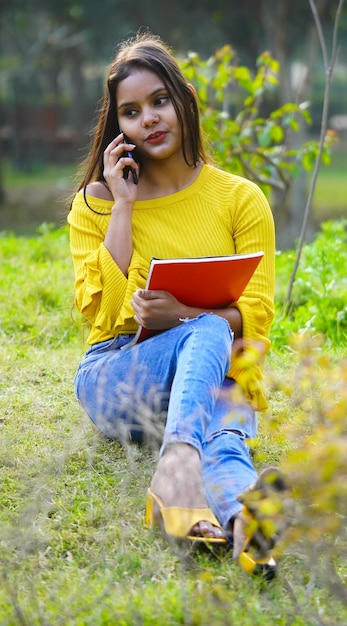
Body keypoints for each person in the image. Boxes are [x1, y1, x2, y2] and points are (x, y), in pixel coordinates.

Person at [68, 31, 279, 575]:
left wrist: (179, 318)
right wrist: (122, 206)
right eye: (132, 112)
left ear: (184, 98)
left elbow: (255, 319)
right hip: (119, 371)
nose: (150, 119)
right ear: (119, 127)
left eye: (160, 101)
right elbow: (105, 313)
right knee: (209, 329)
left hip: (213, 374)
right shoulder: (96, 203)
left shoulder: (240, 200)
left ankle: (244, 528)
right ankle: (178, 474)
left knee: (228, 433)